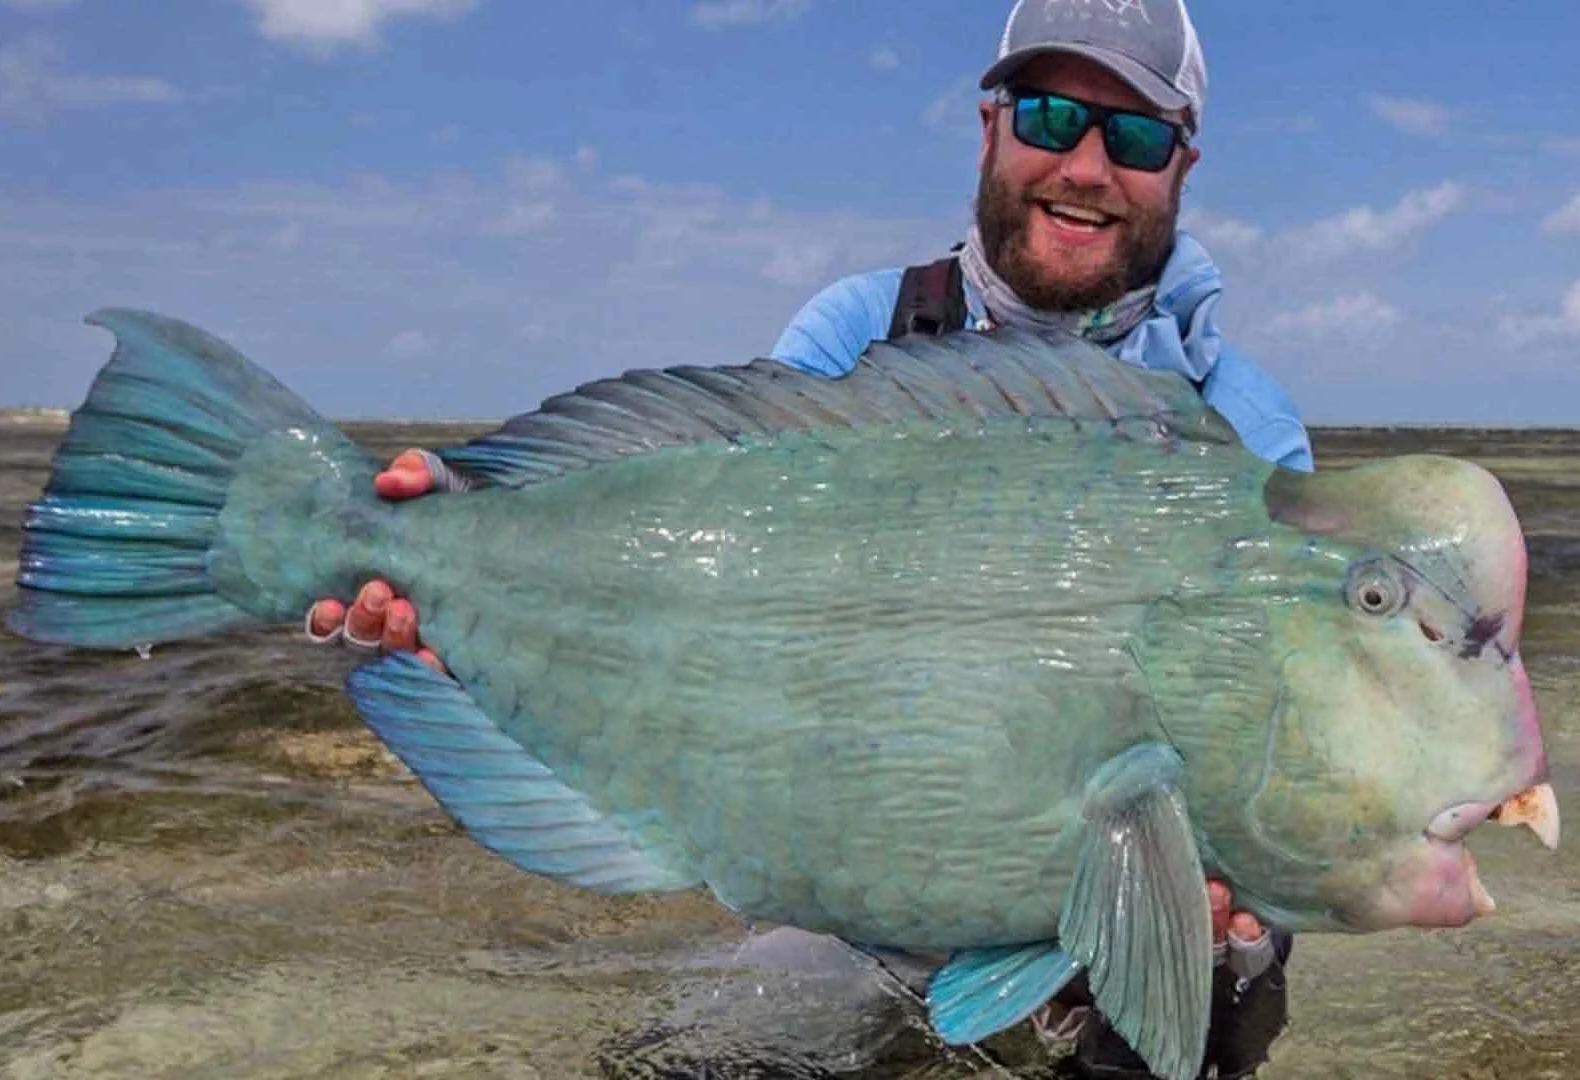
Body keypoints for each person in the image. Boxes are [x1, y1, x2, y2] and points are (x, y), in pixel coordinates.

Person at [305, 1, 1310, 1075]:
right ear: (991, 131)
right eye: (1052, 114)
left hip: (1123, 895)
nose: (1086, 164)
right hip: (857, 914)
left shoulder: (1242, 430)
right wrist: (468, 534)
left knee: (1216, 990)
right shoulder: (854, 332)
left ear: (1182, 167)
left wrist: (1233, 921)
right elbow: (706, 558)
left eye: (1137, 134)